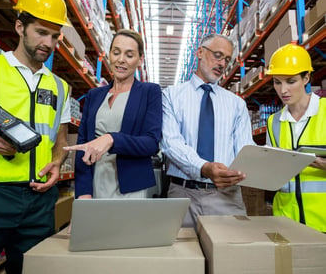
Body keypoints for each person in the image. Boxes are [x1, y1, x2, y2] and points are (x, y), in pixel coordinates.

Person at [0, 0, 71, 273]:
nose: (48, 43)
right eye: (41, 32)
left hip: (39, 201)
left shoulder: (60, 87)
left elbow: (60, 139)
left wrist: (57, 162)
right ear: (19, 26)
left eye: (54, 36)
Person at [161, 33, 255, 229]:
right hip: (182, 194)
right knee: (183, 257)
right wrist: (204, 167)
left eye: (227, 60)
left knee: (233, 256)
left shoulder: (236, 104)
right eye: (218, 55)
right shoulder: (171, 96)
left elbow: (245, 149)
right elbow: (171, 144)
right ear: (200, 52)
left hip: (226, 196)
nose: (222, 64)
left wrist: (259, 161)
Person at [64, 29, 162, 199]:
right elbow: (83, 144)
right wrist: (84, 191)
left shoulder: (149, 92)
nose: (121, 60)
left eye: (129, 55)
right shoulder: (94, 95)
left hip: (131, 188)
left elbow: (151, 143)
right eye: (116, 52)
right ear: (109, 54)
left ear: (140, 60)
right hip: (96, 182)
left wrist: (112, 139)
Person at [266, 43, 326, 232]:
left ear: (306, 78)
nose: (283, 90)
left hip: (322, 224)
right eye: (277, 82)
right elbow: (272, 175)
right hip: (286, 224)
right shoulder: (273, 122)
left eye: (290, 81)